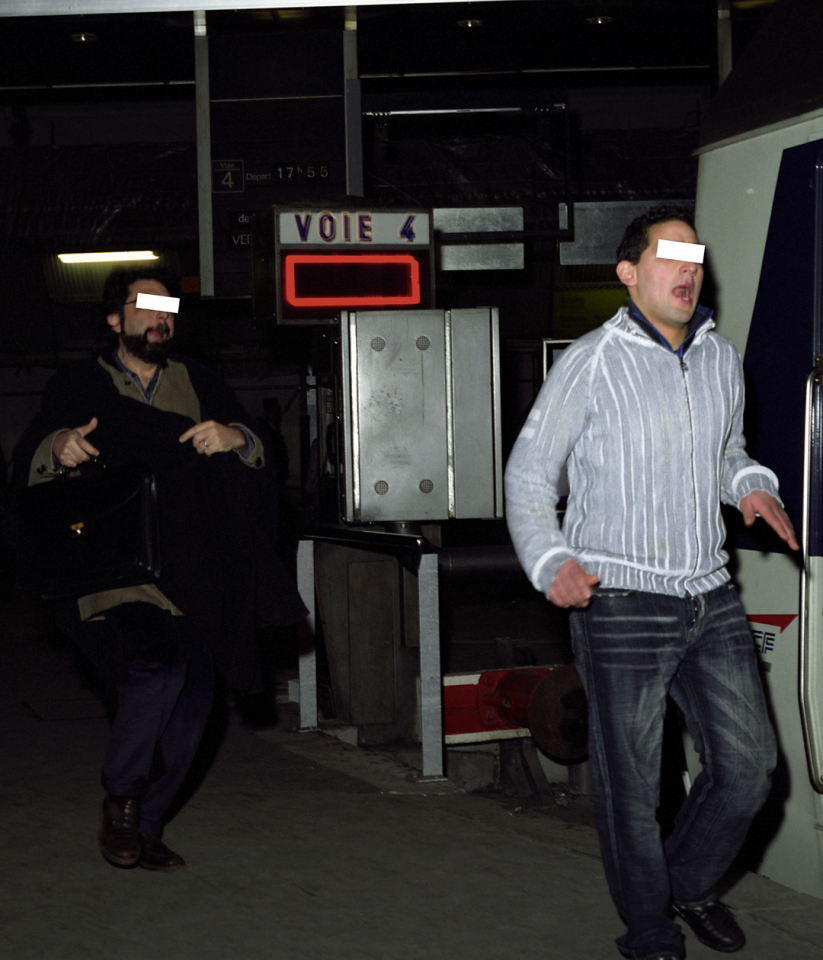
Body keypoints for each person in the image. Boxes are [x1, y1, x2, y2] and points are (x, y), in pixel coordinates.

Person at [504, 204, 799, 960]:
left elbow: (728, 448)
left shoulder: (717, 356)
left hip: (709, 595)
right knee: (634, 787)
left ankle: (689, 883)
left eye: (693, 256)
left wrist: (751, 486)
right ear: (628, 272)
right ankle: (646, 928)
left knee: (749, 771)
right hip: (621, 600)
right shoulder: (591, 360)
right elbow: (530, 476)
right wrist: (550, 562)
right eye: (668, 257)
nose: (687, 269)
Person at [13, 266, 306, 871]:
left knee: (198, 699)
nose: (159, 317)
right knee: (157, 670)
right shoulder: (77, 384)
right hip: (113, 572)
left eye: (166, 306)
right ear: (115, 319)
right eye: (143, 306)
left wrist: (238, 439)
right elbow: (34, 451)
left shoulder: (199, 382)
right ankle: (121, 799)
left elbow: (259, 446)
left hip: (190, 567)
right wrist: (60, 445)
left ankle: (145, 824)